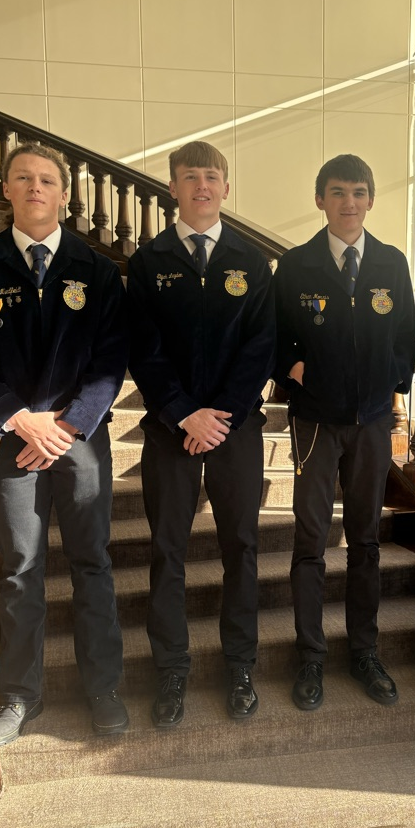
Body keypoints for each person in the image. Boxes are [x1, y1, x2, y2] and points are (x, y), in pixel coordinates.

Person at [0, 143, 129, 746]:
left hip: (80, 440)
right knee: (21, 569)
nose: (35, 187)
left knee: (92, 563)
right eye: (23, 177)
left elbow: (111, 359)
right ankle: (21, 695)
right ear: (6, 189)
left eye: (47, 179)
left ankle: (104, 689)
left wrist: (67, 426)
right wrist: (20, 419)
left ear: (64, 195)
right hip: (11, 442)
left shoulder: (97, 272)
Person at [127, 141, 275, 726]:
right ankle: (171, 669)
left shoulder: (251, 261)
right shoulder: (148, 262)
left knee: (241, 546)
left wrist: (221, 417)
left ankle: (240, 666)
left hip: (236, 430)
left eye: (211, 177)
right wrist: (185, 413)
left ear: (226, 187)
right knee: (168, 551)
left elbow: (260, 347)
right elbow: (144, 348)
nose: (202, 187)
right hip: (171, 430)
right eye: (190, 177)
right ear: (173, 188)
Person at [274, 154, 415, 711]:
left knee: (365, 542)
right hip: (315, 422)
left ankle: (364, 652)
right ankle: (310, 656)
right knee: (310, 542)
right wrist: (295, 368)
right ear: (320, 200)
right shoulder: (296, 265)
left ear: (371, 200)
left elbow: (406, 336)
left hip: (372, 423)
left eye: (358, 192)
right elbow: (275, 334)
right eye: (337, 192)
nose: (348, 202)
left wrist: (390, 381)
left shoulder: (390, 263)